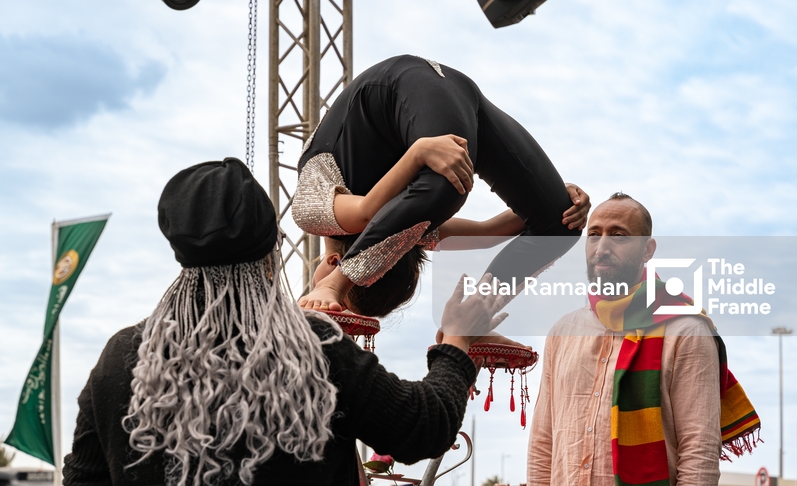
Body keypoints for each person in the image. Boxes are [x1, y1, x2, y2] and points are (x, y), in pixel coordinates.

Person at [63, 158, 507, 486]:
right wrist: (457, 339)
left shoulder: (123, 356)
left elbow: (82, 479)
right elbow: (424, 428)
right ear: (271, 256)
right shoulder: (309, 347)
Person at [292, 54, 588, 317]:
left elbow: (368, 213)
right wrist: (554, 198)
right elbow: (489, 233)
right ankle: (477, 313)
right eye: (343, 299)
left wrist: (418, 152)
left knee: (448, 185)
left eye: (339, 302)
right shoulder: (410, 223)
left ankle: (338, 282)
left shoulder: (311, 212)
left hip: (399, 90)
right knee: (558, 228)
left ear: (335, 261)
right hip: (462, 105)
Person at [527, 193, 760, 486]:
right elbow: (543, 441)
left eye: (619, 236)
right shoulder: (563, 331)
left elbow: (698, 452)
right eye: (594, 235)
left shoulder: (686, 330)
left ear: (647, 250)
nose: (602, 247)